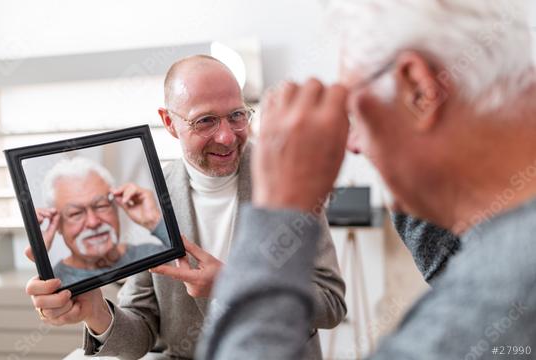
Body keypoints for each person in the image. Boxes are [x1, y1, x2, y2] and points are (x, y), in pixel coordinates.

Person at [197, 1, 536, 359]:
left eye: (353, 110)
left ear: (419, 88)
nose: (353, 144)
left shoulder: (497, 297)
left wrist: (279, 210)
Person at [25, 55, 346, 359]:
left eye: (237, 115)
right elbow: (140, 332)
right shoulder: (150, 201)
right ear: (168, 121)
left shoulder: (288, 180)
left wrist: (232, 283)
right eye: (205, 121)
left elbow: (331, 304)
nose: (226, 136)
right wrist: (95, 311)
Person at [29, 157, 169, 285]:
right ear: (57, 225)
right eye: (75, 213)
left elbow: (190, 265)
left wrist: (154, 221)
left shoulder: (151, 254)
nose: (93, 222)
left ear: (116, 206)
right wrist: (40, 258)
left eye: (101, 206)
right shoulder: (55, 283)